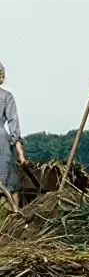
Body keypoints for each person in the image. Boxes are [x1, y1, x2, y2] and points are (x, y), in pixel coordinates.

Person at [0, 62, 27, 207]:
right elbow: (13, 126)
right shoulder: (6, 97)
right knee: (12, 187)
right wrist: (21, 154)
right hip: (2, 144)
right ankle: (14, 221)